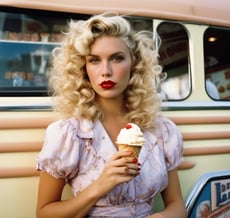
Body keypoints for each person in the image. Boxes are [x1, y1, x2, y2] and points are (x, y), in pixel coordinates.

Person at [36, 12, 187, 218]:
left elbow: (177, 205)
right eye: (95, 60)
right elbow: (44, 213)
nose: (106, 71)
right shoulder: (69, 134)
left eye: (117, 58)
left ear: (134, 64)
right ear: (84, 68)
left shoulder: (159, 130)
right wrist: (100, 185)